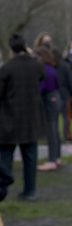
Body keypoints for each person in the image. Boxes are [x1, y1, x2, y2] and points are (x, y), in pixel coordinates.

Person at [0, 34, 45, 201]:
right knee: (30, 157)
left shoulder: (7, 68)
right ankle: (30, 190)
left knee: (5, 156)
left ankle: (3, 187)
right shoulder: (35, 65)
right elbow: (43, 76)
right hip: (31, 118)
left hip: (9, 118)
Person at [35, 46, 62, 171]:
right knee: (54, 130)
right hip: (54, 98)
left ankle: (52, 160)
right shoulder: (51, 69)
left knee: (51, 130)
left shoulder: (46, 70)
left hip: (50, 100)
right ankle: (56, 157)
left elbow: (44, 87)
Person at [52, 47, 72, 142]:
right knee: (66, 117)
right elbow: (71, 81)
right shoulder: (66, 66)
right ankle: (67, 134)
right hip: (65, 95)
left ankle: (56, 135)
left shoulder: (51, 67)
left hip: (54, 95)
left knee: (54, 118)